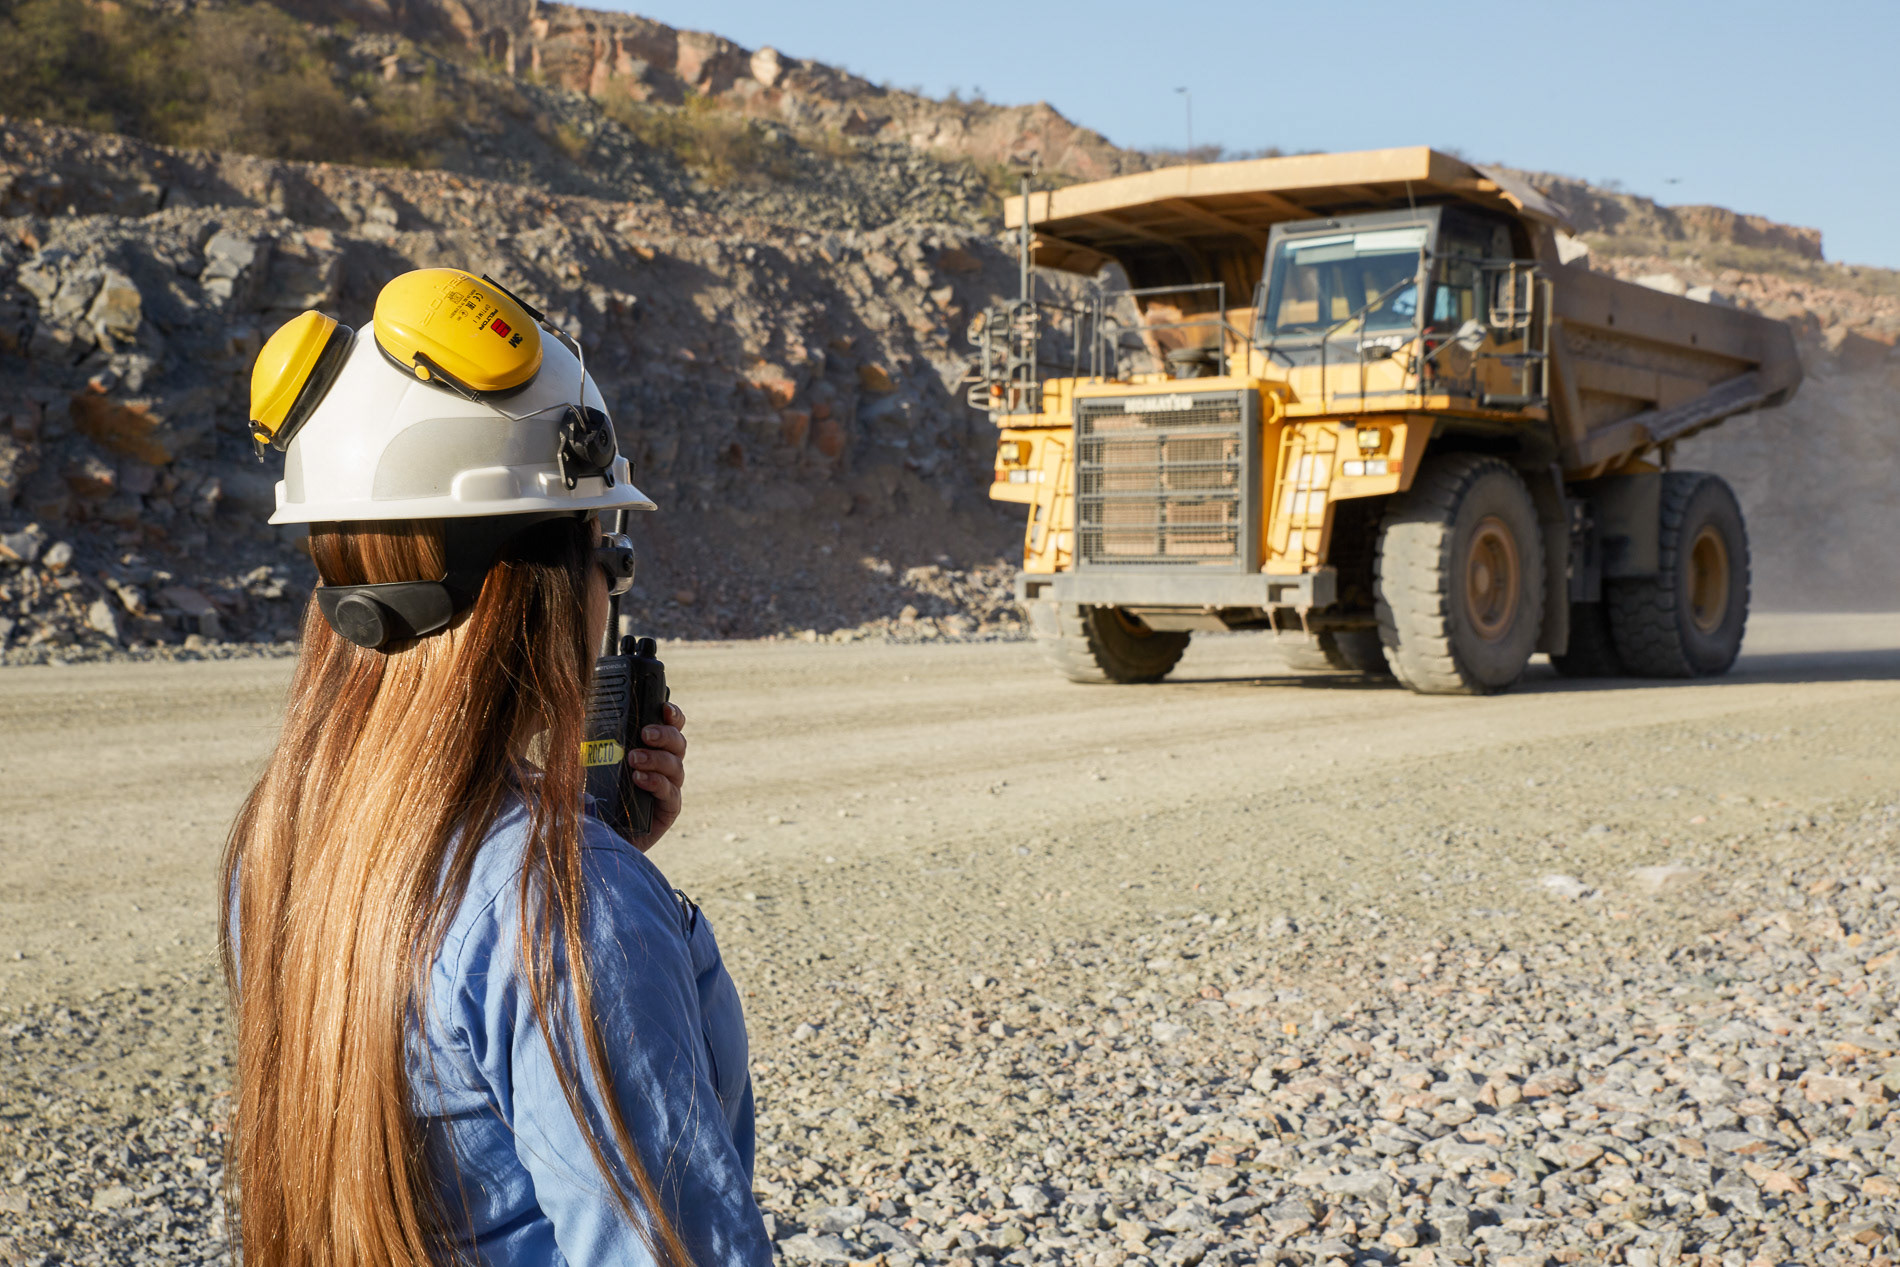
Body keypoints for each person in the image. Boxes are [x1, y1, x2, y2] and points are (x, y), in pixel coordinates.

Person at [220, 269, 772, 1267]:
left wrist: (589, 842)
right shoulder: (562, 906)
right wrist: (591, 888)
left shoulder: (282, 835)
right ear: (542, 588)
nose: (610, 586)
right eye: (605, 549)